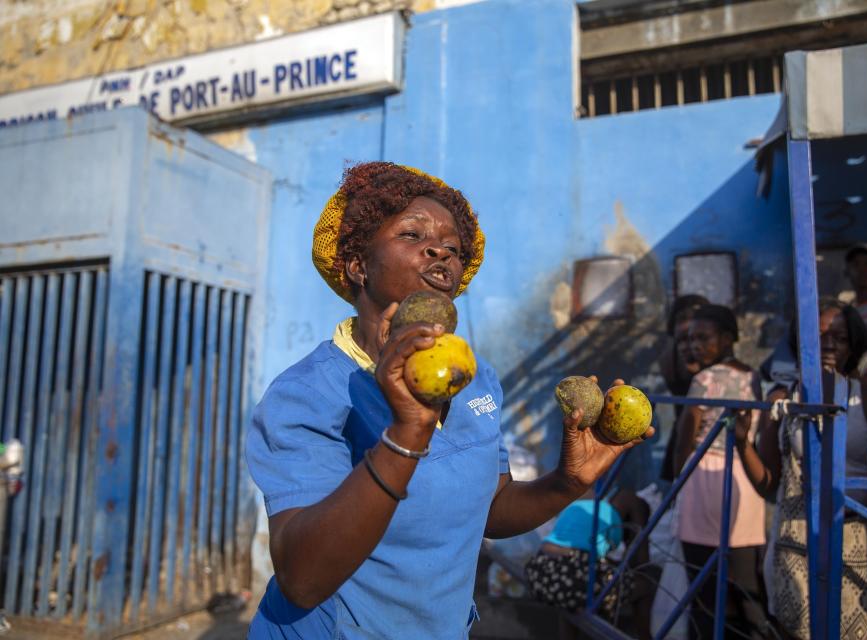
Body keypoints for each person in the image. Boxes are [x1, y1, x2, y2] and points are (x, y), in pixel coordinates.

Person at [244, 162, 654, 639]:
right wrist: (405, 436)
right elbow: (302, 579)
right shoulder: (309, 395)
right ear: (358, 266)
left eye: (453, 248)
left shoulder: (476, 380)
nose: (439, 250)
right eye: (412, 235)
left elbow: (492, 507)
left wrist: (566, 482)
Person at [734, 300, 867, 639]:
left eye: (839, 337)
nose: (828, 344)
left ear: (854, 344)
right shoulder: (784, 400)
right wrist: (743, 444)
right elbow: (768, 485)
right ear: (799, 342)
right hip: (800, 543)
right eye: (817, 336)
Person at [673, 304, 768, 640]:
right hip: (744, 475)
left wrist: (676, 480)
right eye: (690, 338)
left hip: (702, 478)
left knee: (704, 584)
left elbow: (687, 438)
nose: (695, 344)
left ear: (727, 338)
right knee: (744, 580)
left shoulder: (704, 379)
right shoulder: (754, 376)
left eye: (703, 337)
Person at [526, 487, 655, 638]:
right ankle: (645, 636)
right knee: (644, 586)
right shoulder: (635, 504)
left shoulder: (585, 504)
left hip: (540, 572)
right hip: (572, 575)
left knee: (573, 592)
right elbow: (641, 563)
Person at [658, 294, 709, 482]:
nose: (689, 346)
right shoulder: (671, 362)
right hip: (683, 442)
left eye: (697, 338)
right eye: (681, 340)